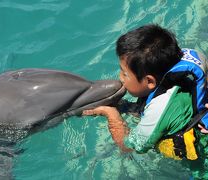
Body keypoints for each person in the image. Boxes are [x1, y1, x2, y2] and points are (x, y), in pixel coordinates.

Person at [83, 24, 208, 162]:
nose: (120, 77)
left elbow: (129, 147)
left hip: (202, 161)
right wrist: (124, 106)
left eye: (124, 73)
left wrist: (111, 113)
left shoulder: (160, 108)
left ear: (149, 81)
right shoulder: (183, 61)